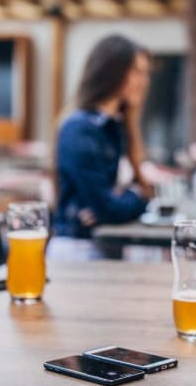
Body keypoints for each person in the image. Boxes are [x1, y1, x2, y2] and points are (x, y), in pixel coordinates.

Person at [51, 34, 152, 260]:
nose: (143, 81)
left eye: (145, 73)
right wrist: (138, 195)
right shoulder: (79, 129)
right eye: (137, 71)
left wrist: (118, 200)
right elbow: (108, 208)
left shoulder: (114, 127)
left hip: (100, 246)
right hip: (77, 251)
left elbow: (106, 206)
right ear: (111, 71)